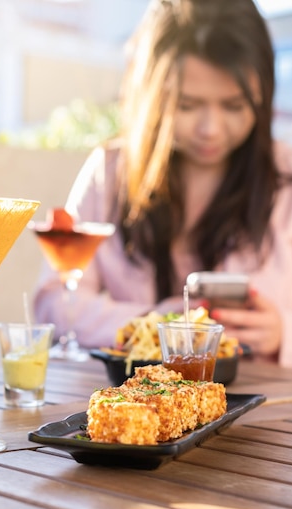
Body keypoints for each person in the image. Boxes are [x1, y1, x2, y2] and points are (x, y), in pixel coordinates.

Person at [33, 0, 292, 366]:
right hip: (132, 403)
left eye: (234, 106)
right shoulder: (110, 173)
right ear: (152, 95)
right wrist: (159, 323)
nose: (210, 129)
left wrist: (283, 331)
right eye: (187, 105)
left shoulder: (285, 179)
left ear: (263, 95)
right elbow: (54, 305)